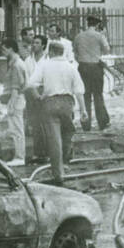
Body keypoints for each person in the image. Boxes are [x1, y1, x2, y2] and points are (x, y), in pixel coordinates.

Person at [27, 40, 87, 184]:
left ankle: (58, 174)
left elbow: (30, 84)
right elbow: (79, 91)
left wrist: (38, 97)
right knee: (67, 133)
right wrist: (83, 110)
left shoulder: (44, 65)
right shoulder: (71, 67)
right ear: (62, 52)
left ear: (51, 52)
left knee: (54, 139)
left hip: (49, 103)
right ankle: (65, 161)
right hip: (67, 103)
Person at [0, 39, 28, 164]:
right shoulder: (14, 63)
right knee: (14, 128)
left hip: (16, 99)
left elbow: (16, 87)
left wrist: (11, 105)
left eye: (4, 49)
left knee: (17, 129)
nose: (3, 52)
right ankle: (18, 155)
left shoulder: (17, 65)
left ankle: (20, 156)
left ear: (11, 49)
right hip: (14, 99)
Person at [73, 14, 111, 132]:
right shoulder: (99, 36)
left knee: (85, 96)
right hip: (95, 67)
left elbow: (75, 53)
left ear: (87, 24)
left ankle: (86, 124)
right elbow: (107, 50)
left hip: (83, 67)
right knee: (98, 95)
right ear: (98, 25)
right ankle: (102, 123)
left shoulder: (78, 36)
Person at [24, 34, 48, 163]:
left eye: (37, 43)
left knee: (46, 122)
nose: (34, 45)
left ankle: (48, 151)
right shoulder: (28, 60)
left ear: (43, 45)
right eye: (33, 43)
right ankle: (39, 153)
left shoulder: (48, 60)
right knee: (35, 123)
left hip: (44, 91)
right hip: (30, 92)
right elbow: (26, 78)